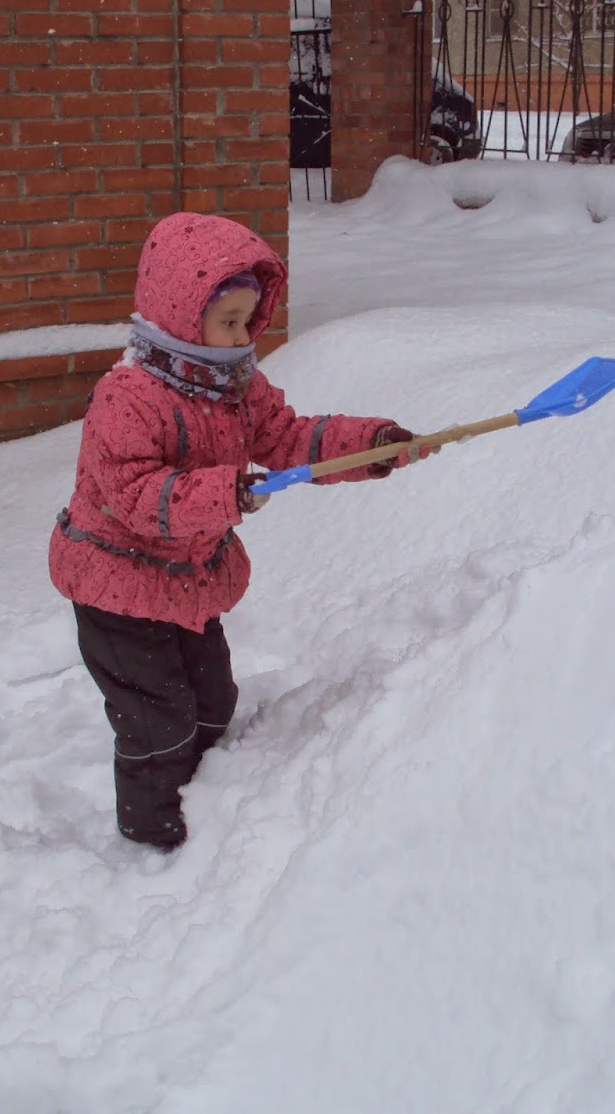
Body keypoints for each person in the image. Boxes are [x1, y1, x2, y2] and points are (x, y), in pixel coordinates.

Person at [48, 211, 433, 852]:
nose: (241, 335)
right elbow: (133, 495)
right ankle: (154, 839)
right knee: (158, 724)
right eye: (228, 322)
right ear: (179, 312)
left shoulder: (233, 386)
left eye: (248, 321)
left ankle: (205, 798)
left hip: (185, 584)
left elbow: (288, 438)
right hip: (116, 587)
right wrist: (223, 492)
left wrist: (371, 446)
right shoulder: (128, 398)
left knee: (212, 703)